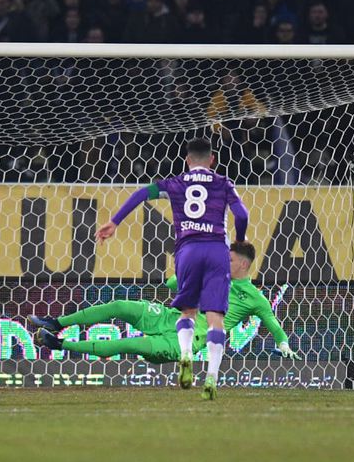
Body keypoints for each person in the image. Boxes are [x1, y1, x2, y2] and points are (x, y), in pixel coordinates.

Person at [29, 242, 294, 400]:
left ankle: (59, 345)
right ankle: (56, 323)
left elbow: (271, 322)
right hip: (172, 316)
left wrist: (283, 344)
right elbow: (172, 284)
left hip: (187, 339)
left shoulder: (254, 298)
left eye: (230, 259)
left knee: (128, 344)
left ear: (244, 266)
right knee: (120, 305)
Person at [96, 137, 248, 390]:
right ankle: (211, 379)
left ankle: (186, 356)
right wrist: (240, 240)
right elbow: (242, 214)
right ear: (212, 160)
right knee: (214, 318)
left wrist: (115, 221)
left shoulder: (175, 183)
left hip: (187, 251)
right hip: (216, 251)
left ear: (187, 160)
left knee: (187, 313)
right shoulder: (223, 183)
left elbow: (142, 193)